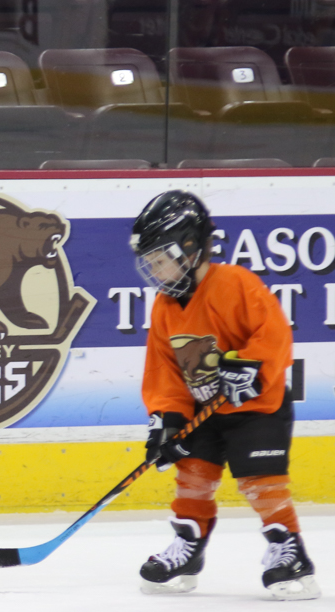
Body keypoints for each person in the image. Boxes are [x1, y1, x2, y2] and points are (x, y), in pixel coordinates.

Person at [130, 190, 319, 600]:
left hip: (257, 408)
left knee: (260, 480)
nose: (154, 269)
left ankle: (289, 551)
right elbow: (164, 370)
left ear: (190, 246)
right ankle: (188, 549)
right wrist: (167, 420)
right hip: (205, 409)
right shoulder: (164, 307)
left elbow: (274, 334)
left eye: (160, 258)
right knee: (192, 476)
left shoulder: (234, 283)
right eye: (150, 262)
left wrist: (251, 365)